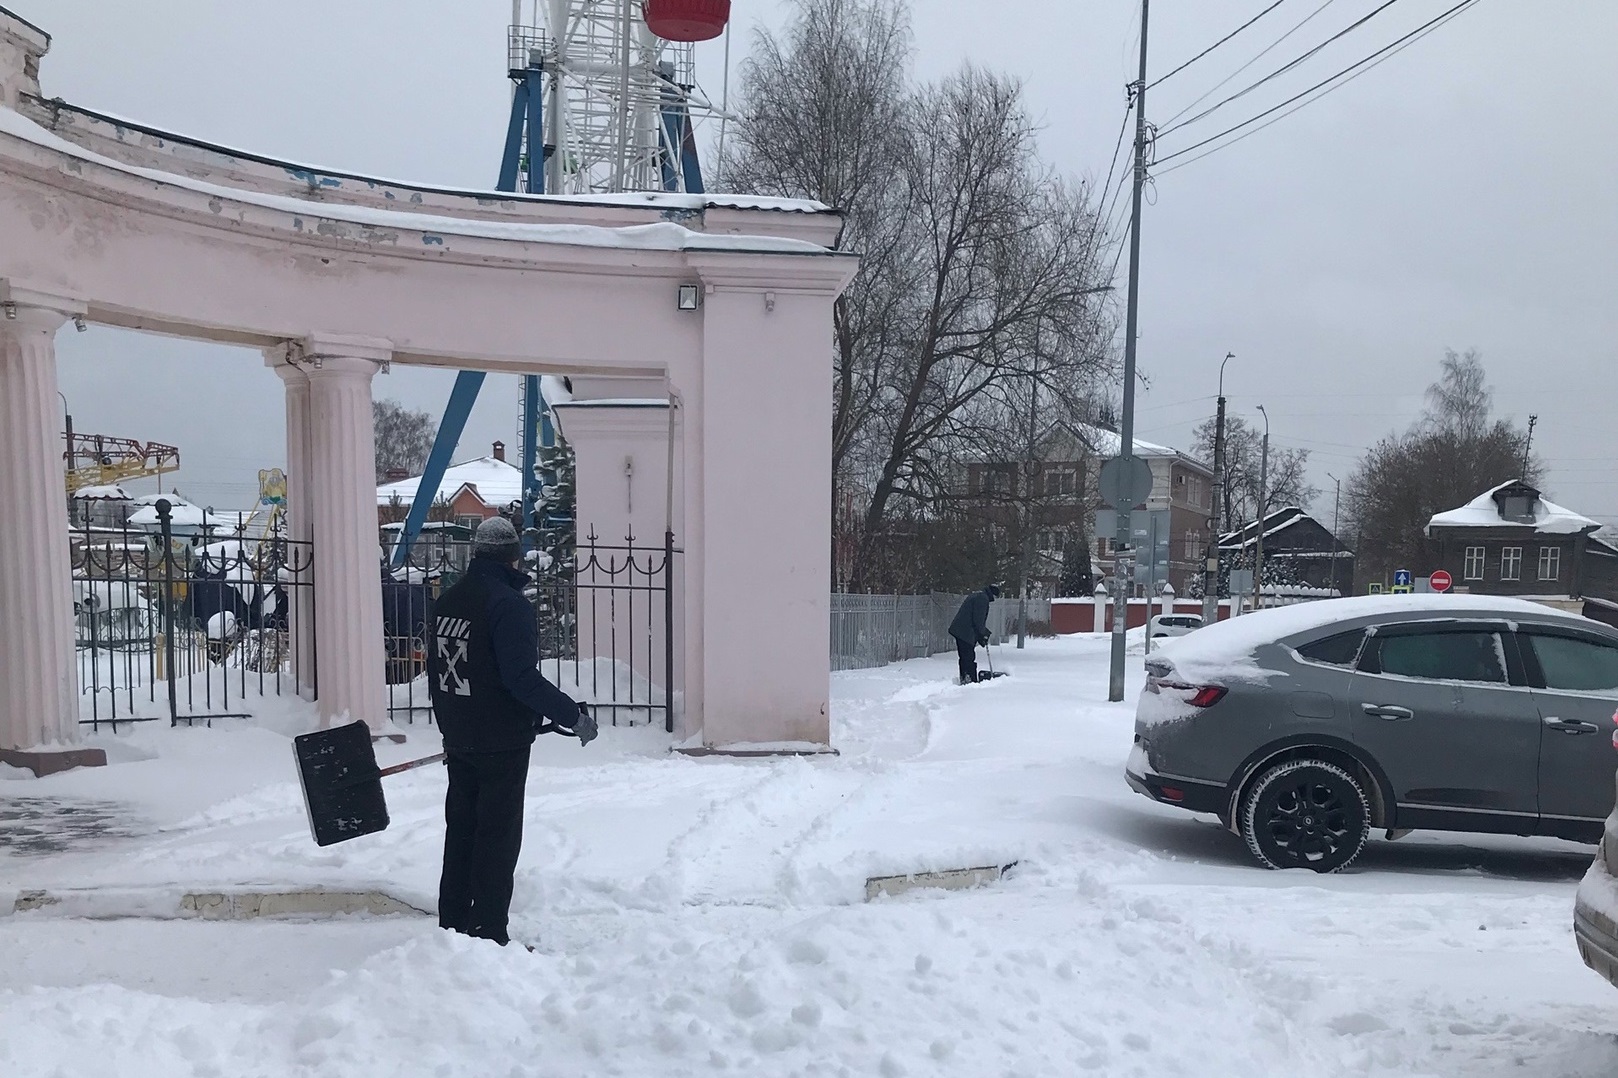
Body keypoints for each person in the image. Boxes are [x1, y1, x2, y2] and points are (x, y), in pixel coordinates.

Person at [426, 515, 598, 946]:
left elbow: (437, 674)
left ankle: (453, 925)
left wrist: (450, 725)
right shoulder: (508, 605)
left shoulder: (448, 602)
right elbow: (520, 677)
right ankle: (487, 931)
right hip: (500, 742)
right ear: (513, 555)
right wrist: (572, 716)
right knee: (497, 837)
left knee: (462, 830)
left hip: (460, 736)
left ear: (478, 552)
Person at [949, 583, 1000, 685]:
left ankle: (965, 677)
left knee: (964, 657)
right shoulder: (982, 599)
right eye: (995, 597)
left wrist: (981, 635)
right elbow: (978, 620)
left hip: (961, 630)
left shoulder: (979, 595)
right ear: (993, 594)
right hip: (965, 631)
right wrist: (984, 634)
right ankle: (970, 680)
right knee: (968, 657)